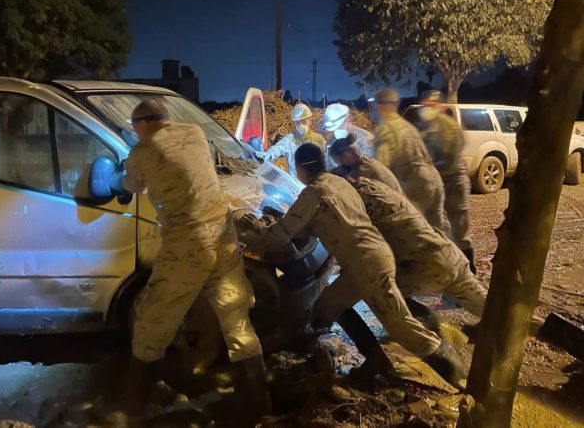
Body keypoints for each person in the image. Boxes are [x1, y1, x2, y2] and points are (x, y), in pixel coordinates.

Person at [242, 143, 467, 389]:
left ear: (300, 169)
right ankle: (374, 361)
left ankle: (457, 377)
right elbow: (319, 224)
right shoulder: (337, 183)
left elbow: (276, 236)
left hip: (367, 264)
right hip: (371, 257)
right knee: (329, 306)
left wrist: (248, 228)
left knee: (401, 325)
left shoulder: (313, 193)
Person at [122, 100, 270, 423]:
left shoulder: (142, 152)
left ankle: (134, 410)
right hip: (223, 235)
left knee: (151, 321)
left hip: (187, 244)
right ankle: (258, 403)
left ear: (144, 124)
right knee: (236, 320)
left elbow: (131, 184)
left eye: (135, 126)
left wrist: (128, 162)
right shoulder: (195, 132)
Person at [344, 175, 486, 319]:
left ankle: (431, 331)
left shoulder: (358, 202)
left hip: (427, 268)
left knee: (378, 291)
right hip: (451, 257)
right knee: (492, 312)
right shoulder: (375, 186)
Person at [373, 89, 451, 235]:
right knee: (439, 235)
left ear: (379, 106)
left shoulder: (385, 130)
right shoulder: (407, 126)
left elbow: (380, 170)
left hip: (416, 187)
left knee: (415, 235)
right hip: (435, 183)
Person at [419, 91, 476, 273]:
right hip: (436, 185)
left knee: (459, 233)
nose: (428, 108)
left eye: (432, 104)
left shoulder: (450, 127)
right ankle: (448, 275)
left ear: (442, 107)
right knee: (439, 230)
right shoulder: (425, 128)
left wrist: (428, 168)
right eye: (425, 105)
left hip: (454, 184)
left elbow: (449, 161)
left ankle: (468, 273)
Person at [256, 103, 326, 173]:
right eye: (298, 123)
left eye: (303, 121)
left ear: (310, 120)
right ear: (294, 124)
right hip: (296, 181)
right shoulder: (289, 139)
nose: (301, 125)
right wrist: (269, 154)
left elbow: (327, 155)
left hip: (316, 180)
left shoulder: (318, 139)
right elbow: (278, 148)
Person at [329, 134, 403, 194]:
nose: (340, 165)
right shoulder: (367, 161)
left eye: (338, 161)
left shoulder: (362, 171)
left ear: (345, 156)